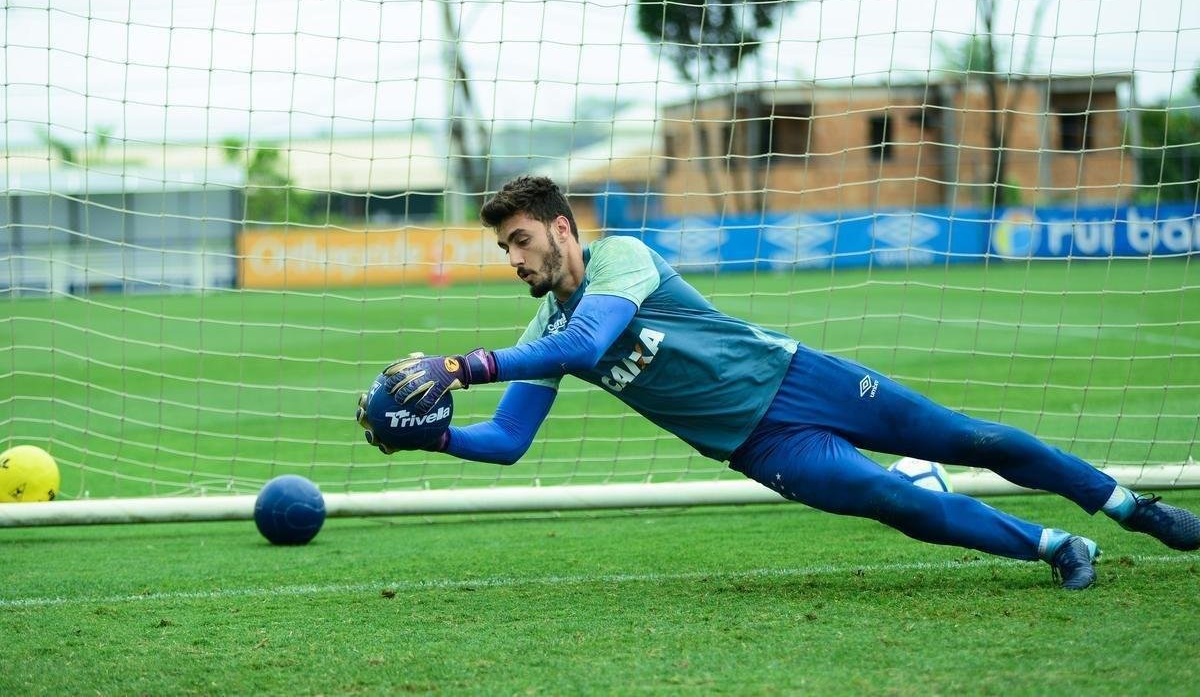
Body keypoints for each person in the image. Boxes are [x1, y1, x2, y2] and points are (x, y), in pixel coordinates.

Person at [359, 175, 1200, 590]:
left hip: (798, 378)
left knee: (967, 437)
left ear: (561, 228)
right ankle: (1057, 546)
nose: (511, 258)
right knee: (890, 500)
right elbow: (509, 441)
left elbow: (591, 340)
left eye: (518, 240)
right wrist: (435, 435)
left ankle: (1130, 506)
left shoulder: (622, 260)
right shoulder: (539, 333)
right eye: (503, 247)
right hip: (758, 443)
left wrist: (461, 366)